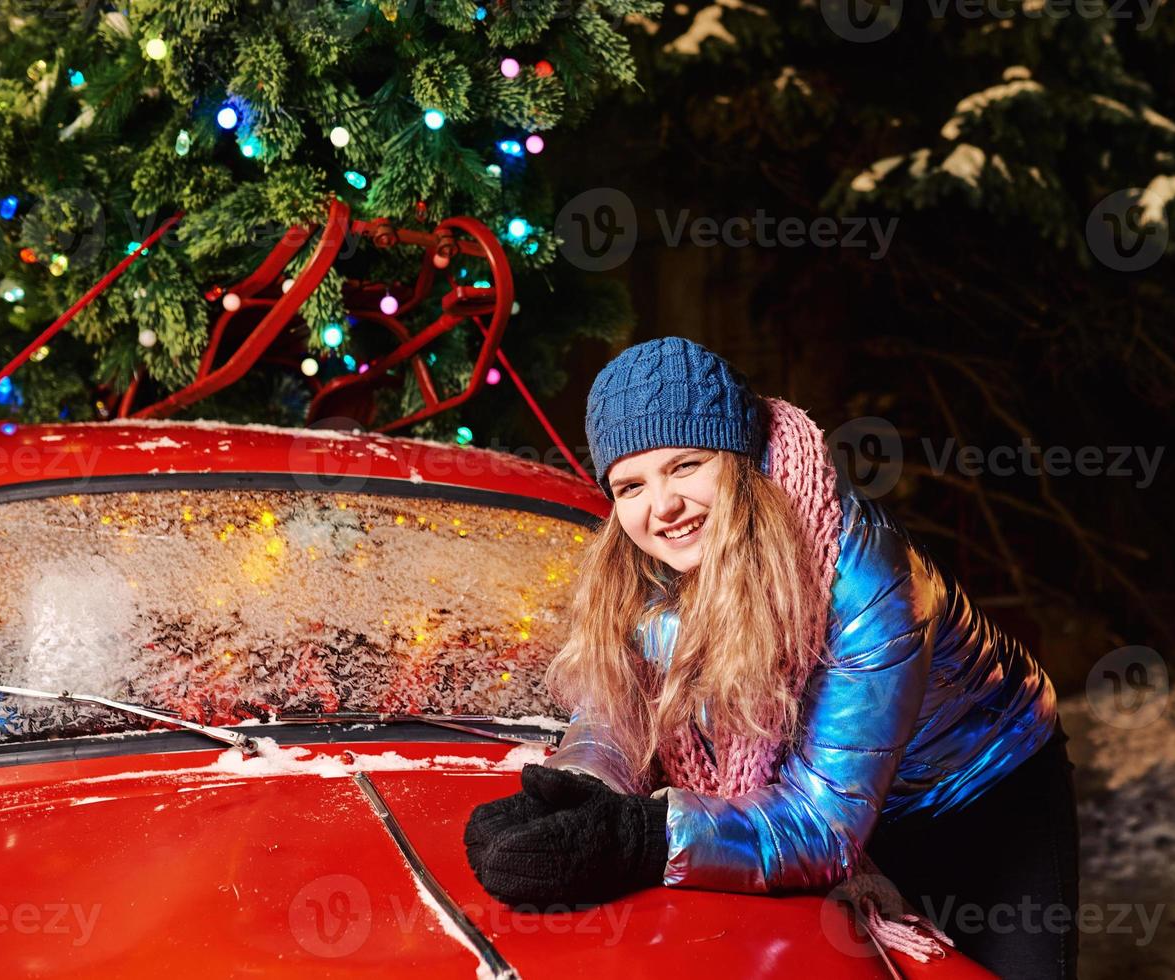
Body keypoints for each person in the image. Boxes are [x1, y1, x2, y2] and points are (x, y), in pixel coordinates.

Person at [463, 337, 1080, 979]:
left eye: (686, 465)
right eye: (631, 485)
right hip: (827, 791)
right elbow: (617, 713)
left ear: (742, 459)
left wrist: (641, 837)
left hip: (980, 792)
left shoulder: (866, 580)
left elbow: (824, 827)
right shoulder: (645, 567)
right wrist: (582, 791)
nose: (662, 506)